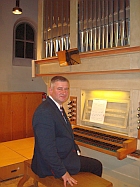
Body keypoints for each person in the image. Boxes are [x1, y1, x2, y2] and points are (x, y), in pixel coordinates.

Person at [31, 76, 102, 187]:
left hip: (64, 155)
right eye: (60, 89)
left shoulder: (56, 106)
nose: (64, 92)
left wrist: (76, 150)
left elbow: (67, 133)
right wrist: (63, 173)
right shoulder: (44, 112)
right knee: (96, 165)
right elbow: (46, 148)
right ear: (50, 90)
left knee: (93, 164)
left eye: (66, 89)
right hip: (50, 164)